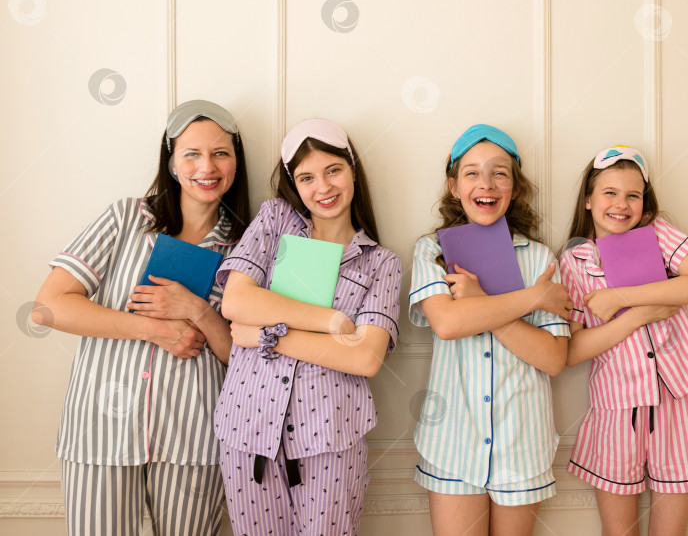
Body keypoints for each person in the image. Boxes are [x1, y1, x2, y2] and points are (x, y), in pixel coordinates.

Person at [32, 100, 251, 535]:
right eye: (191, 153)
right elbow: (49, 305)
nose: (206, 166)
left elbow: (245, 358)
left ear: (236, 162)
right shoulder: (127, 218)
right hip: (100, 431)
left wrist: (199, 311)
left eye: (220, 153)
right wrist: (155, 329)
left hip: (194, 438)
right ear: (170, 162)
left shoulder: (247, 244)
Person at [215, 118, 402, 535]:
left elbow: (367, 356)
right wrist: (332, 321)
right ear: (293, 184)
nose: (323, 187)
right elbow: (237, 300)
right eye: (307, 177)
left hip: (330, 438)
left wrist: (266, 335)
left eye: (333, 170)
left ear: (353, 169)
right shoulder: (275, 220)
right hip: (247, 430)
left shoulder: (381, 262)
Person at [408, 124, 572, 536]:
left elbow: (553, 359)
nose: (486, 183)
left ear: (515, 188)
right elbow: (446, 324)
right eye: (472, 172)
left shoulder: (539, 259)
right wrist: (533, 299)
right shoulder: (432, 250)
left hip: (523, 447)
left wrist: (480, 303)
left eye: (500, 172)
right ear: (453, 185)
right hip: (452, 445)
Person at [560, 145, 688, 536]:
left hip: (679, 397)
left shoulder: (659, 235)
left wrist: (621, 298)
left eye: (633, 195)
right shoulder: (574, 261)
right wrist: (641, 315)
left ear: (645, 206)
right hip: (616, 406)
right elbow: (573, 352)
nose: (621, 204)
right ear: (588, 200)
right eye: (609, 193)